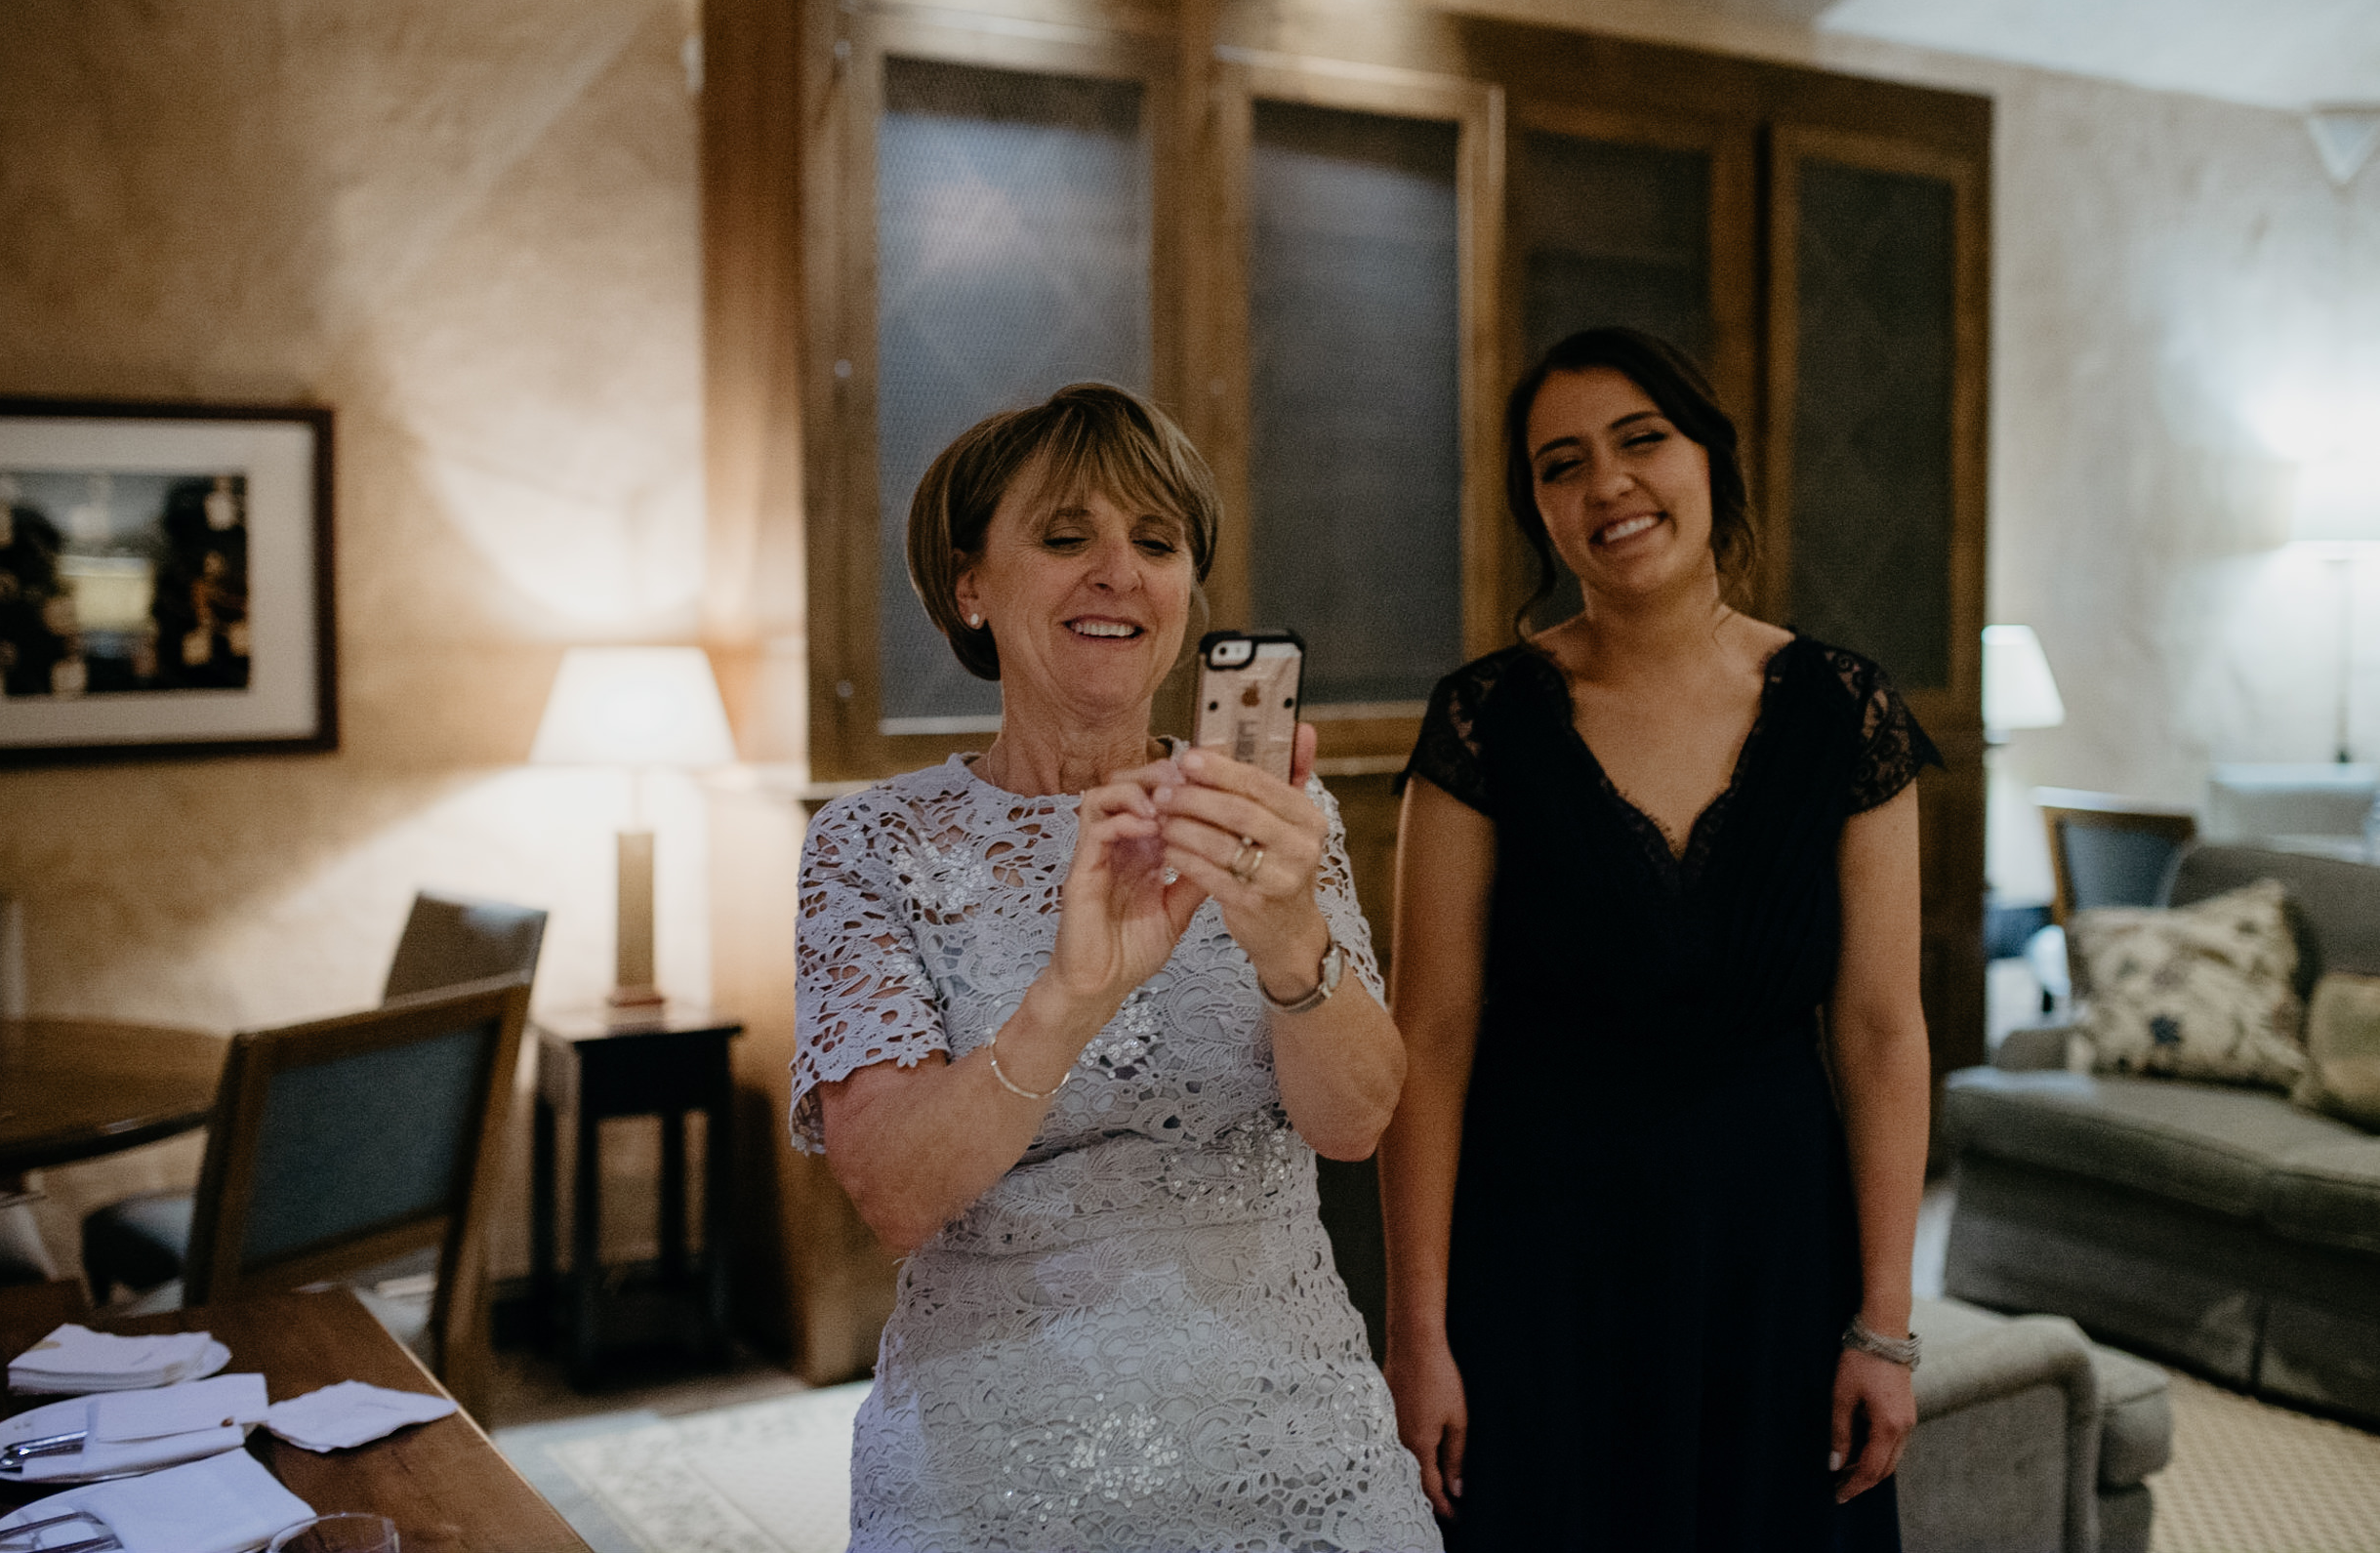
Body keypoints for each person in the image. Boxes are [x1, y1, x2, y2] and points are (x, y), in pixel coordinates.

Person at [791, 382, 1442, 1553]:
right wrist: (1071, 996)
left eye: (1155, 542)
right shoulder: (870, 844)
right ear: (969, 587)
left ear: (1188, 594)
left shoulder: (1273, 817)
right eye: (1063, 537)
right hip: (993, 1472)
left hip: (1296, 1445)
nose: (1117, 570)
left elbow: (1354, 1124)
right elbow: (890, 1194)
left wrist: (1290, 939)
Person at [1377, 327, 1935, 1550]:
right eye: (1561, 464)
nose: (1607, 485)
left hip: (1777, 1260)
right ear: (1539, 510)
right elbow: (1430, 1037)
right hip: (1540, 1262)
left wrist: (1882, 1322)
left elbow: (1884, 1033)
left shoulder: (1848, 712)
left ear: (1710, 461)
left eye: (1642, 441)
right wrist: (1418, 1335)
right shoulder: (1481, 721)